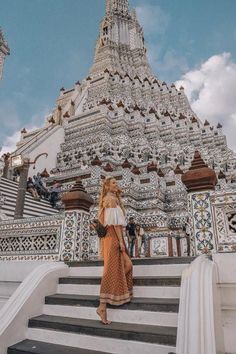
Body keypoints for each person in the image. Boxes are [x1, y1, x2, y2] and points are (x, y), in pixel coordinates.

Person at [97, 177, 133, 325]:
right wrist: (120, 242)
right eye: (113, 183)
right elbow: (116, 224)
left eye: (116, 183)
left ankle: (114, 292)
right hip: (113, 238)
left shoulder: (112, 198)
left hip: (114, 238)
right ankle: (102, 306)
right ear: (106, 186)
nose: (116, 185)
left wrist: (119, 194)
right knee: (111, 270)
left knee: (127, 266)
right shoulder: (109, 199)